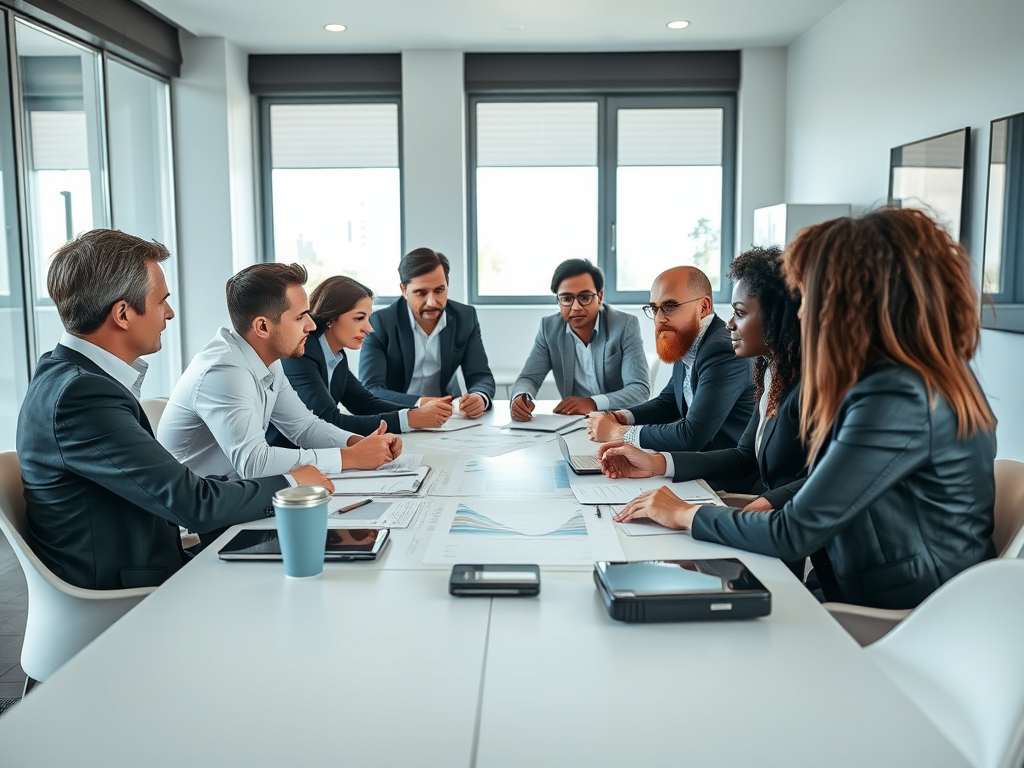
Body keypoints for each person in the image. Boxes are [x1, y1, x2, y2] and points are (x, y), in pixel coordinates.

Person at [612, 208, 997, 609]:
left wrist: (684, 515)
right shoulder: (894, 380)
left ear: (856, 300)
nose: (800, 312)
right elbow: (833, 476)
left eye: (812, 295)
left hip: (905, 609)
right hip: (858, 581)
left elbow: (795, 532)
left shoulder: (900, 394)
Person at [16, 230, 332, 590]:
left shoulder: (73, 378)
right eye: (161, 301)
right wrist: (292, 483)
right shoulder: (81, 395)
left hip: (157, 560)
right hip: (133, 591)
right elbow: (191, 503)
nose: (169, 313)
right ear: (123, 313)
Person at [600, 246, 806, 512]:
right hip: (758, 504)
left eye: (740, 313)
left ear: (776, 317)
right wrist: (655, 464)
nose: (730, 324)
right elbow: (744, 456)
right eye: (655, 309)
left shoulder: (804, 386)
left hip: (770, 510)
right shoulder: (771, 374)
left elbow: (821, 478)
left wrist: (622, 433)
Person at [159, 263, 401, 482]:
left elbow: (304, 427)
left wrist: (359, 444)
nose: (312, 325)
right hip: (202, 521)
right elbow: (253, 463)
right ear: (262, 326)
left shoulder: (267, 359)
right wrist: (349, 458)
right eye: (300, 317)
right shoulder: (223, 372)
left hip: (236, 496)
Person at [586, 266, 754, 452]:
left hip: (724, 474)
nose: (659, 319)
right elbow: (669, 402)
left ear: (703, 307)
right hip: (696, 464)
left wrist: (618, 432)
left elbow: (691, 436)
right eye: (654, 309)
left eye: (670, 307)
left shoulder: (723, 350)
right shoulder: (687, 338)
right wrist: (621, 417)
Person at [269, 275, 453, 446]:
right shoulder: (302, 353)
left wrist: (420, 411)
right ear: (331, 319)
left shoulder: (337, 356)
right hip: (285, 460)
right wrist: (411, 418)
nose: (369, 329)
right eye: (359, 318)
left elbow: (364, 403)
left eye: (368, 318)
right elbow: (328, 421)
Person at [358, 247, 496, 418]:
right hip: (396, 416)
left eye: (439, 290)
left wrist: (479, 397)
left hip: (448, 418)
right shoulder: (380, 322)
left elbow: (480, 375)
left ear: (447, 284)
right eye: (421, 293)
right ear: (404, 290)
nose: (432, 302)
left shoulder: (465, 317)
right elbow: (371, 389)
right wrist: (421, 403)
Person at [510, 258, 650, 421]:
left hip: (615, 421)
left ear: (600, 296)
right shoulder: (549, 328)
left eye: (584, 297)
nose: (575, 307)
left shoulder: (624, 325)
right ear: (558, 301)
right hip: (571, 423)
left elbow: (639, 390)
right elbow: (529, 378)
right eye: (567, 299)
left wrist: (593, 403)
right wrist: (521, 397)